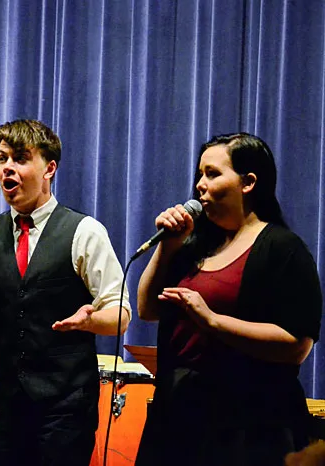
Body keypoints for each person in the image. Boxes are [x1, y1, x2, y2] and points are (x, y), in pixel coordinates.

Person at [0, 119, 132, 465]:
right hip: (13, 405)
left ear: (50, 169)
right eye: (2, 159)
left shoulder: (84, 231)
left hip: (68, 405)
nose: (7, 168)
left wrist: (89, 321)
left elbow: (120, 316)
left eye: (21, 158)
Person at [135, 133, 322, 466]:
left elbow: (297, 345)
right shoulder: (194, 244)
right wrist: (168, 246)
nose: (200, 186)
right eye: (199, 175)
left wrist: (212, 321)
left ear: (248, 183)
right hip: (178, 417)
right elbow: (148, 308)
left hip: (246, 426)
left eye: (212, 173)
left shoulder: (282, 248)